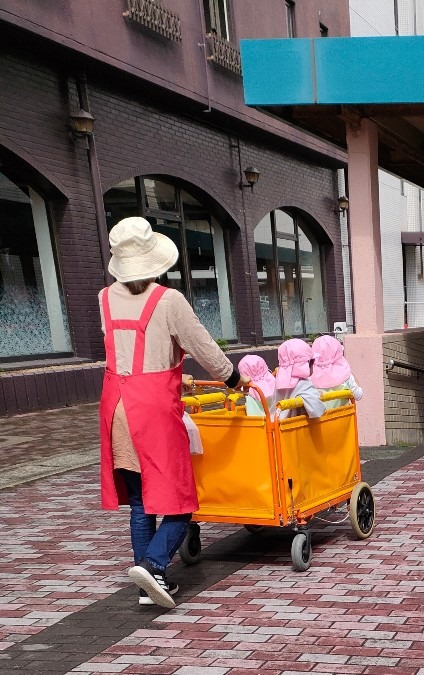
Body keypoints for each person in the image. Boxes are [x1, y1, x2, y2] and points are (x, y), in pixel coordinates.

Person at [98, 217, 250, 610]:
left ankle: (146, 580)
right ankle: (154, 565)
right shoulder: (168, 299)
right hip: (152, 410)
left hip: (116, 405)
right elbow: (202, 346)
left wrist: (171, 375)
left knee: (139, 501)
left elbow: (134, 354)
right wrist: (234, 379)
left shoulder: (104, 298)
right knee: (182, 501)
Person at [275, 339, 326, 419]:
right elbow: (317, 410)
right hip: (295, 428)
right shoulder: (303, 384)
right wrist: (316, 395)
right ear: (308, 363)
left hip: (277, 426)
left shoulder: (278, 382)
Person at [311, 335, 363, 410]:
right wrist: (349, 371)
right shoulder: (346, 377)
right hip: (342, 420)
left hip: (318, 421)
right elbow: (359, 395)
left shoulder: (308, 379)